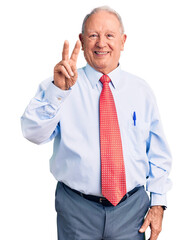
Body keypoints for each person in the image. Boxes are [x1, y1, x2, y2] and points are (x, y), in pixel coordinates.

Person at [21, 6, 172, 240]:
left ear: (122, 41)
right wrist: (57, 92)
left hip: (132, 211)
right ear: (81, 41)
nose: (102, 43)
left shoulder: (141, 91)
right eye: (93, 35)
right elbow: (33, 133)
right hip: (76, 210)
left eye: (110, 35)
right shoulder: (61, 85)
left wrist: (158, 203)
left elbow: (158, 153)